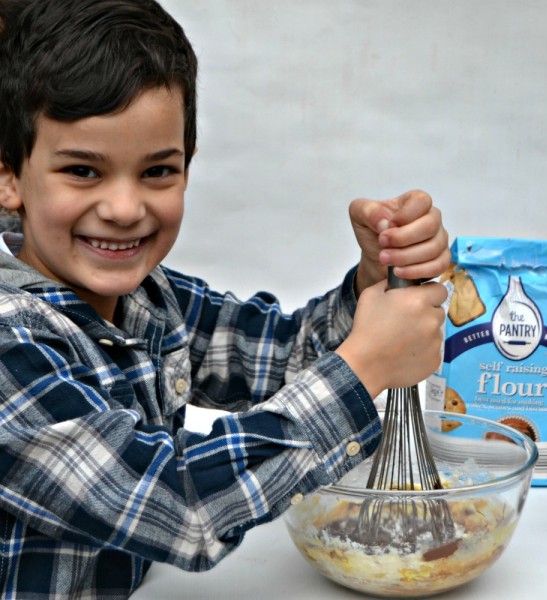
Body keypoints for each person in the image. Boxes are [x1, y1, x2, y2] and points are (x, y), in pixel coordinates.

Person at [0, 0, 450, 597]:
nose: (125, 208)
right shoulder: (11, 346)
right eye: (83, 171)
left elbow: (285, 355)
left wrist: (372, 281)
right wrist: (367, 366)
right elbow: (180, 506)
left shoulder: (152, 299)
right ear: (9, 177)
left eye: (157, 171)